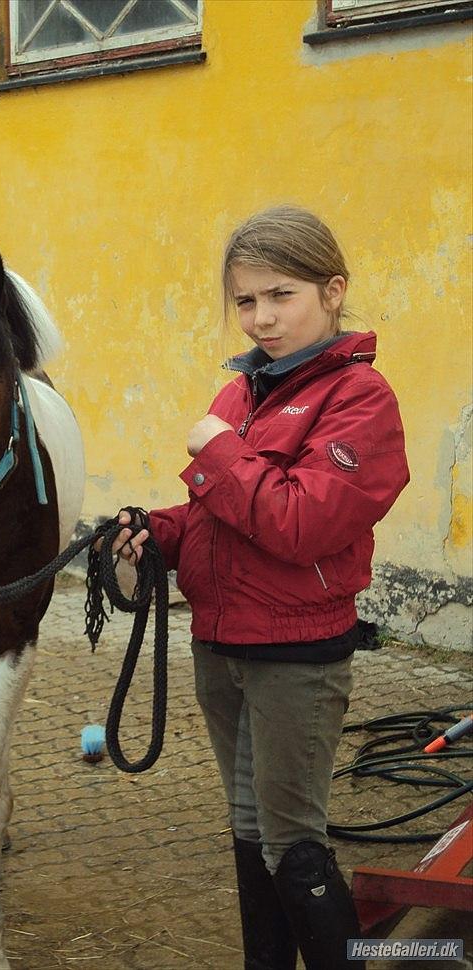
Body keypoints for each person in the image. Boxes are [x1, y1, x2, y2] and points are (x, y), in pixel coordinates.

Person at [106, 205, 409, 969]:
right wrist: (154, 534)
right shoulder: (242, 393)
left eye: (281, 296)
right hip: (222, 647)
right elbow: (222, 516)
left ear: (332, 291)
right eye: (246, 302)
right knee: (249, 834)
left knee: (292, 844)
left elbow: (301, 523)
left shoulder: (361, 400)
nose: (262, 319)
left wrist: (217, 452)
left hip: (295, 660)